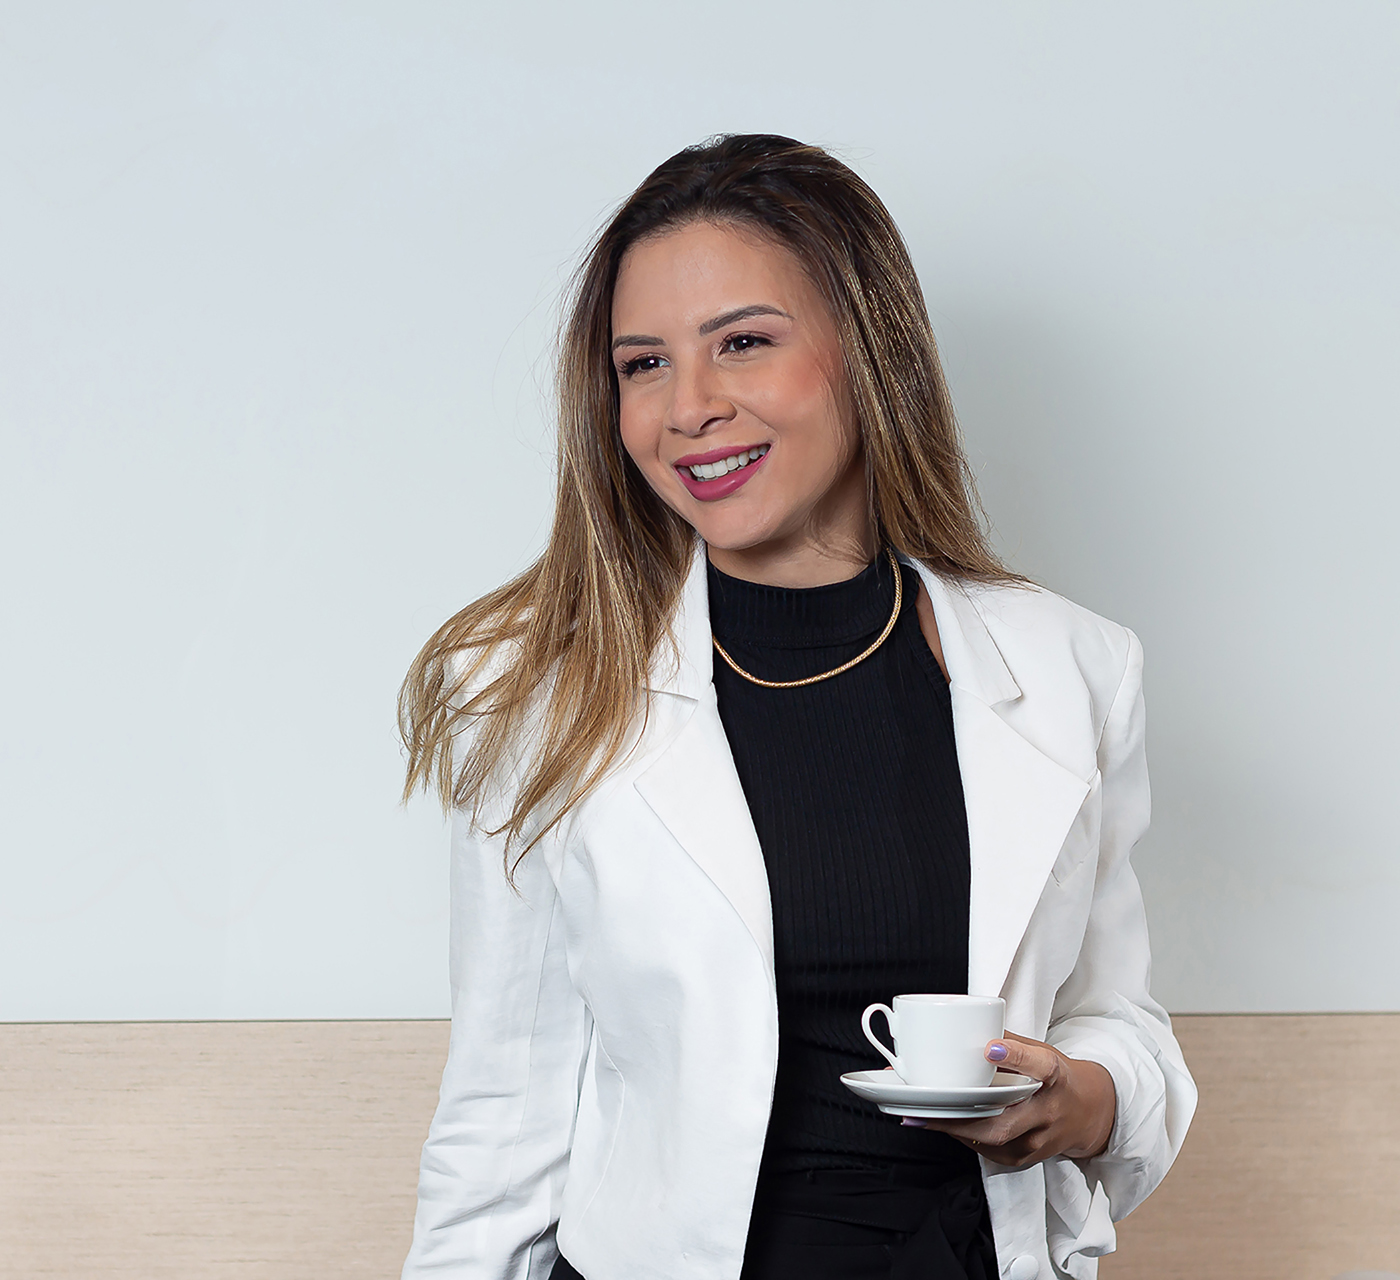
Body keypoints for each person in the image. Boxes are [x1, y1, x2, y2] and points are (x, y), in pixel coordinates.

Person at [395, 135, 1195, 1280]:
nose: (689, 406)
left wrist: (1089, 1096)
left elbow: (1119, 1018)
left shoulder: (1074, 668)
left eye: (743, 342)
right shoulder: (535, 693)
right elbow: (500, 1120)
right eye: (643, 363)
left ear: (869, 352)